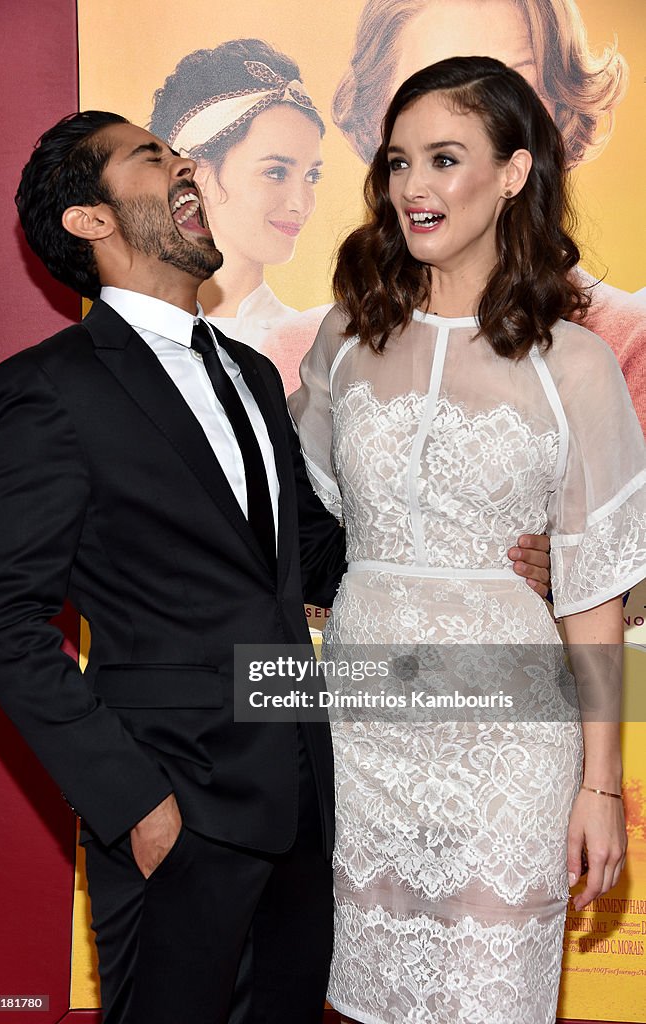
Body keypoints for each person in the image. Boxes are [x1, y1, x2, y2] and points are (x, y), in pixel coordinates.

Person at [0, 108, 549, 1023]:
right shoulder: (50, 388)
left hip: (304, 800)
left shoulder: (245, 368)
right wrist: (134, 805)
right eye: (151, 157)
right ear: (90, 219)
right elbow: (1, 619)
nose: (185, 165)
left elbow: (314, 556)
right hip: (173, 809)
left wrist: (495, 555)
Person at [289, 56, 646, 1023]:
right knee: (364, 1000)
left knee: (493, 1000)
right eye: (399, 162)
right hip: (367, 728)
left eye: (445, 159)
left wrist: (601, 788)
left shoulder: (573, 364)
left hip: (509, 739)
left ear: (515, 173)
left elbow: (599, 586)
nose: (414, 187)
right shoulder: (347, 338)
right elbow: (300, 503)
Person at [328, 0, 646, 428]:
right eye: (428, 90)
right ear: (380, 129)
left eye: (509, 88)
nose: (463, 131)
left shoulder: (622, 346)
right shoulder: (324, 342)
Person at [149, 38, 324, 391]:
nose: (301, 203)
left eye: (312, 176)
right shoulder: (134, 340)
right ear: (198, 175)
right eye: (276, 172)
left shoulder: (315, 344)